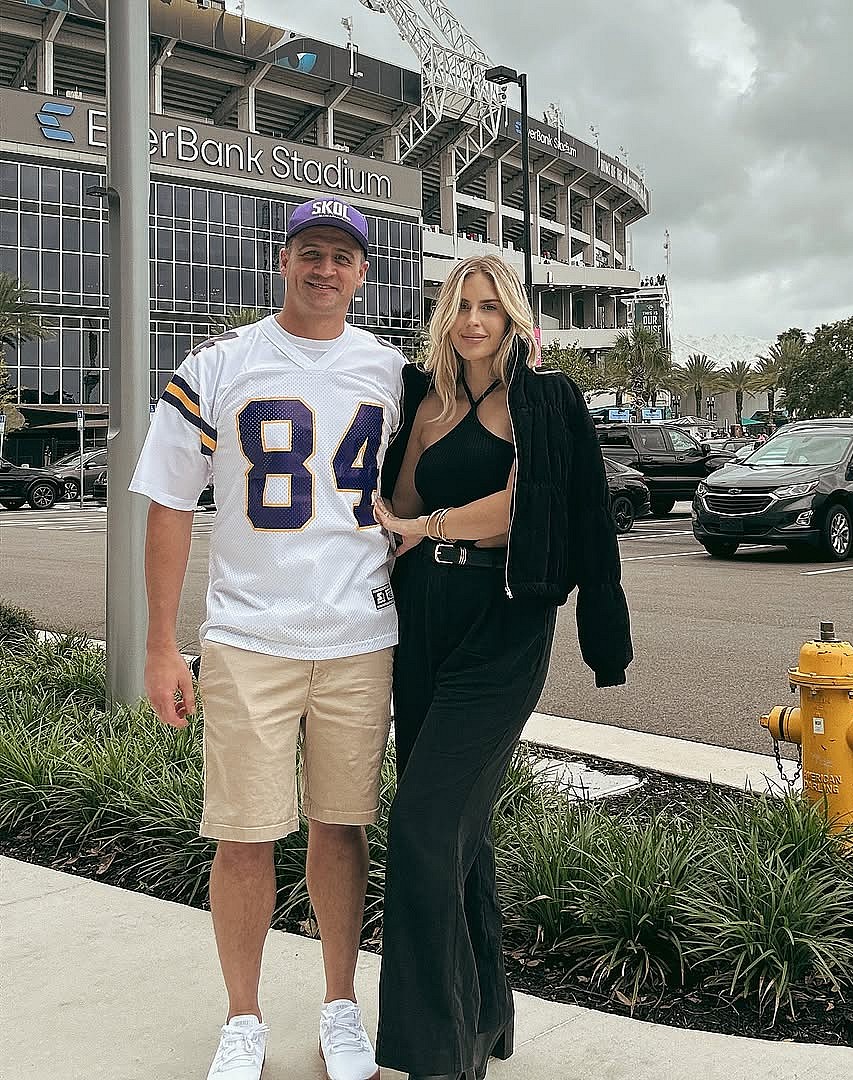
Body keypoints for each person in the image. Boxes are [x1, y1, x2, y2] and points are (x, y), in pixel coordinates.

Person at [131, 198, 403, 1080]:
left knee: (342, 826)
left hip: (360, 629)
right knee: (243, 834)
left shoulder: (394, 372)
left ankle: (338, 1005)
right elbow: (170, 501)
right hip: (250, 633)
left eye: (342, 256)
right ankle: (242, 1017)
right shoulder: (220, 364)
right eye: (309, 252)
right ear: (281, 261)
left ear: (364, 272)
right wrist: (162, 645)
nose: (325, 269)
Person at [372, 254, 633, 1080]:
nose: (475, 320)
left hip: (504, 623)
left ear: (515, 316)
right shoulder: (426, 401)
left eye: (489, 306)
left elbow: (529, 505)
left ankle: (437, 1057)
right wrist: (411, 516)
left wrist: (434, 525)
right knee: (461, 835)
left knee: (420, 825)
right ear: (445, 316)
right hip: (423, 620)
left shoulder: (542, 399)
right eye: (461, 306)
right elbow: (400, 509)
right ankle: (481, 1023)